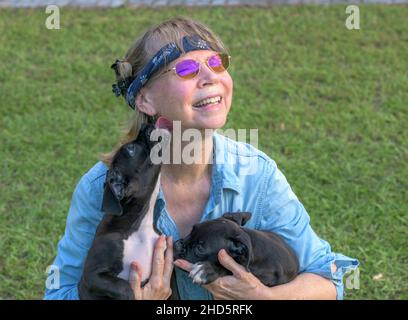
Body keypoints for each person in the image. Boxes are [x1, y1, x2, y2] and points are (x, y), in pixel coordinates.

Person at [44, 16, 358, 300]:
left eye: (216, 63)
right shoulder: (106, 186)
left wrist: (266, 298)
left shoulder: (256, 175)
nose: (210, 76)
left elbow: (327, 277)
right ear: (146, 99)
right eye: (186, 69)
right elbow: (59, 293)